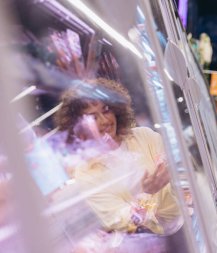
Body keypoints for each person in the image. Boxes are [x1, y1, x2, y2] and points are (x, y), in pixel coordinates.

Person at [54, 78, 183, 236]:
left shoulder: (145, 137)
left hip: (187, 226)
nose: (105, 120)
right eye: (93, 117)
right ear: (79, 127)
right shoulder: (86, 173)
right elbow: (122, 222)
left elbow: (180, 178)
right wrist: (147, 194)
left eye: (106, 109)